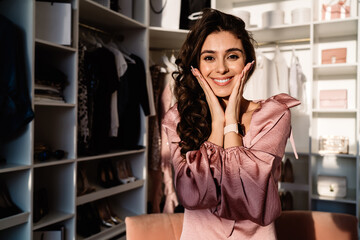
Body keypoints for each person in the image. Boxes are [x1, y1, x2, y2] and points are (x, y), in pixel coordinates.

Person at [162, 8, 300, 240]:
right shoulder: (177, 119)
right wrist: (217, 123)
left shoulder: (273, 115)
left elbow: (249, 200)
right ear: (196, 65)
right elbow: (191, 195)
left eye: (232, 56)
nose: (222, 68)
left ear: (248, 61)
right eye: (209, 58)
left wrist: (231, 123)